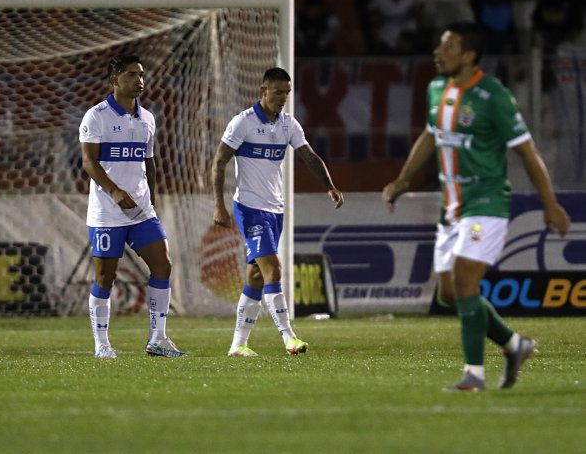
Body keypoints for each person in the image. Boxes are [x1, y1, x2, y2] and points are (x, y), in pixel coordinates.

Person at [382, 21, 571, 391]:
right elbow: (431, 134)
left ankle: (474, 375)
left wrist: (550, 204)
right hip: (451, 207)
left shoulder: (493, 96)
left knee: (467, 281)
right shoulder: (437, 88)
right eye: (439, 46)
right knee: (450, 294)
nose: (438, 52)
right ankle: (516, 345)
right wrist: (404, 179)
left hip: (486, 201)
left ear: (469, 55)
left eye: (447, 46)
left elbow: (527, 151)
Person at [211, 67, 344, 358]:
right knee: (274, 269)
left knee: (256, 277)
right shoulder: (242, 123)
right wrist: (220, 205)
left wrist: (330, 186)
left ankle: (238, 345)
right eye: (277, 92)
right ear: (263, 91)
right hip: (250, 207)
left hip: (275, 209)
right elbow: (219, 161)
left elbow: (309, 156)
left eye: (287, 92)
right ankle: (289, 338)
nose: (283, 98)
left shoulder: (288, 124)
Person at [79, 54, 186, 359]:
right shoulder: (96, 116)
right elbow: (89, 161)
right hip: (106, 212)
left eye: (140, 74)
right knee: (105, 277)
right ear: (114, 81)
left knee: (163, 265)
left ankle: (158, 339)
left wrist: (151, 197)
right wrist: (113, 190)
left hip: (140, 210)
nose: (138, 80)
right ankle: (102, 344)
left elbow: (149, 161)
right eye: (130, 75)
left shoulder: (148, 118)